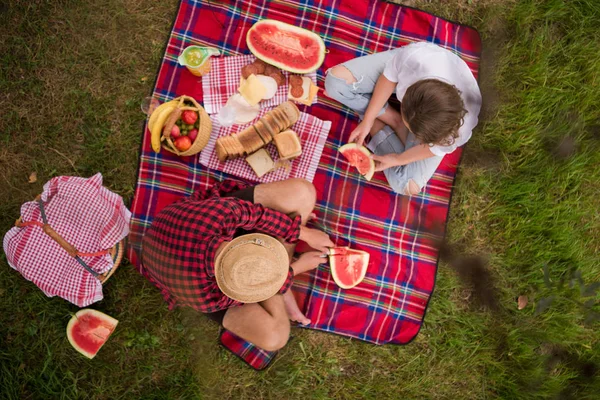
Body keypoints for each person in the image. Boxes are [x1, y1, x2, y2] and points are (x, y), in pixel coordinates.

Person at [140, 178, 333, 352]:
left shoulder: (222, 215)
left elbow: (256, 215)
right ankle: (281, 282)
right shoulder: (206, 297)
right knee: (274, 337)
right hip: (176, 269)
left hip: (180, 231)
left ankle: (279, 281)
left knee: (304, 192)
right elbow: (250, 293)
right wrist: (296, 269)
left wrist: (304, 234)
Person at [324, 41, 482, 195]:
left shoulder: (461, 128)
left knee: (407, 185)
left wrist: (398, 159)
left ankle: (386, 120)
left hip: (428, 117)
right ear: (406, 94)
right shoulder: (415, 60)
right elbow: (388, 80)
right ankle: (391, 118)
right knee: (335, 84)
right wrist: (368, 120)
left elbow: (434, 150)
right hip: (411, 68)